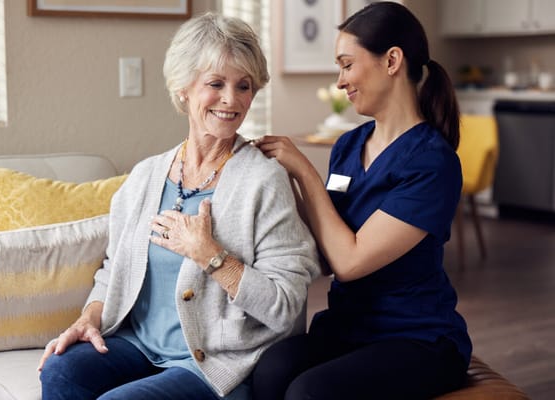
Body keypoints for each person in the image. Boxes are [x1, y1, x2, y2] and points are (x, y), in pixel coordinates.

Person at [38, 12, 319, 400]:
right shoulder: (145, 176)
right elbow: (112, 270)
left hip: (218, 364)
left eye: (244, 86)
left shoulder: (263, 181)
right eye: (216, 83)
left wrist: (212, 256)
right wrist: (88, 319)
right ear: (183, 88)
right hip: (140, 346)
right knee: (61, 371)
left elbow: (286, 304)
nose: (231, 100)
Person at [252, 2, 472, 399]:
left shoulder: (432, 163)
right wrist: (273, 182)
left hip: (415, 337)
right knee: (269, 372)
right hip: (348, 325)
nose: (340, 81)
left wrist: (304, 172)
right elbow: (326, 239)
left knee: (308, 393)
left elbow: (350, 262)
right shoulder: (350, 145)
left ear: (391, 61)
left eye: (347, 64)